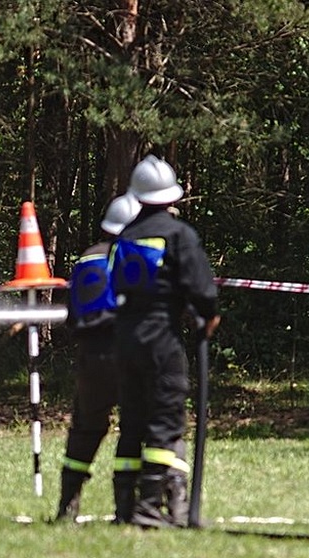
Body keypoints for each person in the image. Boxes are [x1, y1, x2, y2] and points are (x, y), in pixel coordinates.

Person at [112, 154, 220, 528]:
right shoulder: (178, 235)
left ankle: (124, 508)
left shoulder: (125, 237)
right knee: (164, 420)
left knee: (132, 421)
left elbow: (116, 287)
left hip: (125, 339)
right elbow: (201, 287)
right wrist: (207, 313)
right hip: (161, 339)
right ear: (171, 196)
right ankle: (148, 509)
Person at [54, 193, 141, 522]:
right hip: (128, 351)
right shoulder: (132, 259)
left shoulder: (86, 258)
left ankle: (67, 506)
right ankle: (126, 510)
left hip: (91, 357)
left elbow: (73, 314)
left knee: (86, 430)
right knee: (134, 427)